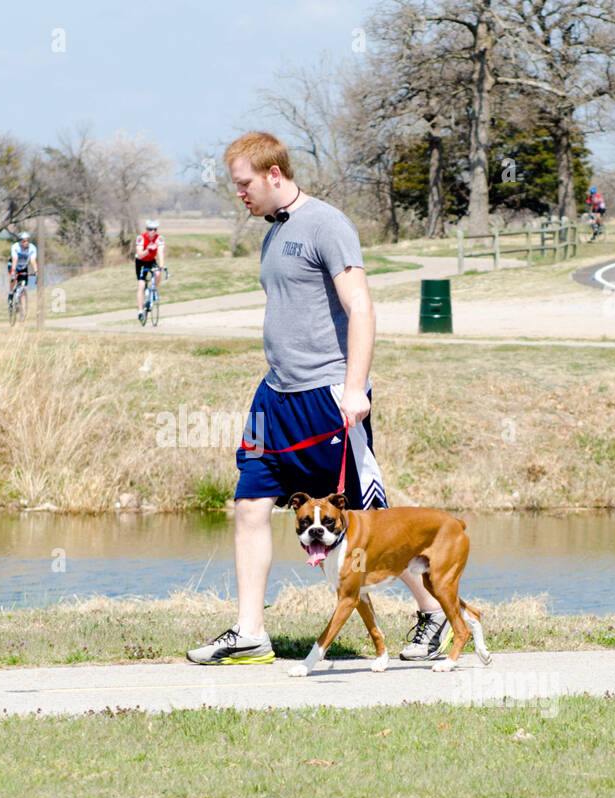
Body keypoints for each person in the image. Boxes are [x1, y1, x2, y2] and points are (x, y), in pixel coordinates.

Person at [187, 131, 450, 666]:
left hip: (326, 397)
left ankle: (433, 611)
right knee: (249, 503)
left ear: (274, 175)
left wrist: (355, 388)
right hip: (275, 395)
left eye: (244, 185)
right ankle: (250, 632)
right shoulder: (273, 233)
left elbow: (362, 308)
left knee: (368, 523)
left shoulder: (328, 225)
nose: (239, 195)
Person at [134, 219, 165, 320]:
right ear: (146, 229)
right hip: (141, 261)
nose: (153, 231)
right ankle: (140, 311)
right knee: (141, 285)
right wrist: (148, 250)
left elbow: (160, 252)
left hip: (151, 260)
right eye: (150, 229)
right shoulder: (140, 238)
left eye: (155, 229)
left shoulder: (159, 238)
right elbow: (140, 254)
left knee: (158, 274)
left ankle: (153, 291)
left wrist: (161, 265)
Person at [7, 231, 37, 308]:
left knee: (24, 288)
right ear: (20, 241)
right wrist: (13, 271)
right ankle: (10, 293)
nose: (26, 242)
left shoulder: (32, 248)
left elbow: (33, 261)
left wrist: (36, 272)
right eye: (24, 241)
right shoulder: (15, 247)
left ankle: (22, 309)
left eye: (27, 241)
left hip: (23, 267)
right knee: (14, 277)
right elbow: (15, 259)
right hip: (14, 265)